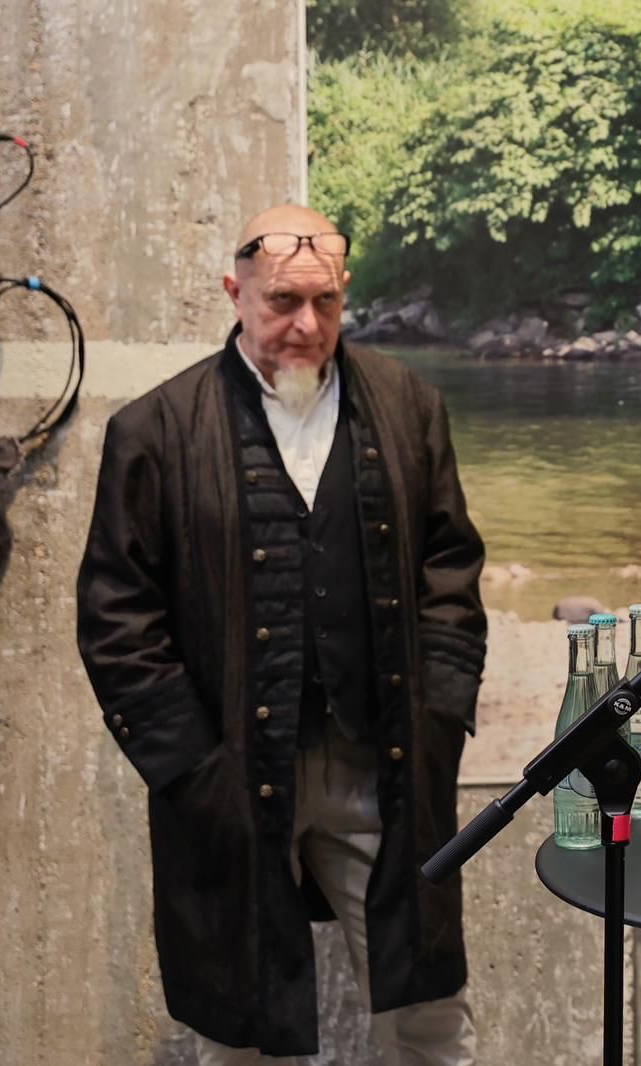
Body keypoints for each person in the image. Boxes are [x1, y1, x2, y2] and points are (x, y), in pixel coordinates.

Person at [77, 205, 487, 1063]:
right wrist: (192, 765)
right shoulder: (154, 432)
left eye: (326, 303)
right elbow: (116, 615)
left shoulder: (410, 406)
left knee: (427, 1009)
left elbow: (450, 569)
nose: (306, 325)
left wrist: (440, 716)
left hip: (382, 765)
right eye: (282, 302)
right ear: (236, 292)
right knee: (240, 1020)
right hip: (226, 772)